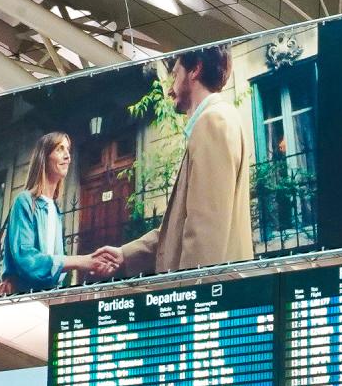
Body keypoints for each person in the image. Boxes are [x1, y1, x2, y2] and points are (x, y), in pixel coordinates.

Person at [94, 47, 254, 276]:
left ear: (195, 69)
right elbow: (177, 232)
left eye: (176, 74)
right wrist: (124, 255)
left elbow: (203, 235)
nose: (170, 88)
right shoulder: (217, 119)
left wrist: (185, 303)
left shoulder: (213, 121)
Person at [1, 131, 118, 293]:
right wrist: (80, 261)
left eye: (68, 150)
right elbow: (26, 259)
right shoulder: (25, 201)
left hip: (47, 297)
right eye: (60, 149)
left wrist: (93, 266)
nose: (67, 156)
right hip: (23, 300)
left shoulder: (54, 209)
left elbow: (55, 267)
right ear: (44, 157)